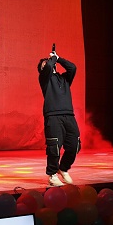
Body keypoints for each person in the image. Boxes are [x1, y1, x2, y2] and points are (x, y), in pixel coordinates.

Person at [38, 49, 80, 186]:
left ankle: (64, 168)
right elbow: (48, 67)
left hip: (69, 115)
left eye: (49, 62)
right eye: (45, 64)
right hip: (53, 116)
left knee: (74, 144)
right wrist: (52, 59)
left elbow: (72, 68)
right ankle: (52, 174)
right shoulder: (44, 79)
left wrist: (58, 58)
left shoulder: (64, 79)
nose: (48, 64)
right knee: (54, 146)